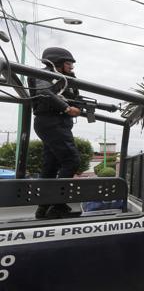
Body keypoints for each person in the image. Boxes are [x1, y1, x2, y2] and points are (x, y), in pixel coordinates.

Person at [29, 47, 82, 219]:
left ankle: (43, 208)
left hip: (56, 123)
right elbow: (45, 92)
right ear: (56, 62)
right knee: (71, 160)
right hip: (51, 121)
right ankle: (58, 205)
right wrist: (67, 108)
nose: (71, 67)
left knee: (51, 166)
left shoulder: (68, 80)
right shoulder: (43, 74)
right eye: (68, 63)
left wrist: (80, 107)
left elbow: (77, 99)